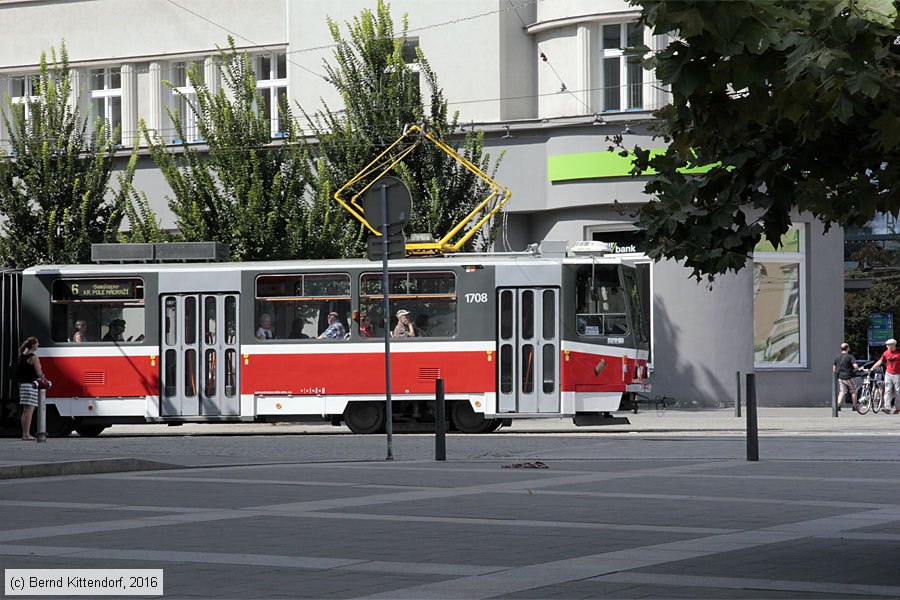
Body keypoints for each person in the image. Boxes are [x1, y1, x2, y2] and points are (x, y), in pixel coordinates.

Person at [14, 337, 44, 441]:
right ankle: (26, 435)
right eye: (37, 343)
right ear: (33, 346)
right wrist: (45, 380)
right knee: (30, 410)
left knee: (25, 410)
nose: (38, 345)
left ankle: (25, 433)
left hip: (23, 386)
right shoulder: (34, 358)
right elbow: (39, 373)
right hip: (31, 386)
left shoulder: (22, 356)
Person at [871, 338, 900, 413]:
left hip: (897, 374)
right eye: (887, 345)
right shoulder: (886, 353)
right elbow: (880, 361)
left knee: (898, 391)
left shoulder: (898, 352)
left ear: (894, 345)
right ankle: (887, 407)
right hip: (888, 373)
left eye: (888, 345)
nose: (887, 346)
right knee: (887, 390)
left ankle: (897, 408)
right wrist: (872, 368)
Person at [832, 343, 860, 412]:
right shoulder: (850, 357)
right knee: (853, 391)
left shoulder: (837, 357)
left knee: (842, 391)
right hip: (849, 377)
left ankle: (838, 405)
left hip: (840, 377)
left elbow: (834, 368)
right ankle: (854, 406)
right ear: (847, 348)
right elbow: (855, 366)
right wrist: (857, 369)